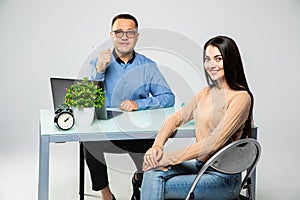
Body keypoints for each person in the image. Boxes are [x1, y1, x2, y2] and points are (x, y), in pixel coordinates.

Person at [141, 35, 254, 200]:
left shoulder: (241, 97)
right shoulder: (206, 92)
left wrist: (167, 159)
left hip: (222, 178)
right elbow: (176, 118)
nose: (211, 65)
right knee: (152, 172)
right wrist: (157, 147)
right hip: (202, 167)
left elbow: (214, 142)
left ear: (230, 61)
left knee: (155, 184)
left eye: (218, 59)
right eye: (207, 59)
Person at [84, 14, 175, 200]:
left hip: (137, 133)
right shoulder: (97, 64)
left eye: (130, 32)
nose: (124, 37)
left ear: (137, 36)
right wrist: (100, 71)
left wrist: (138, 104)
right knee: (88, 140)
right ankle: (106, 195)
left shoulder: (148, 66)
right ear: (111, 35)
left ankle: (139, 181)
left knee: (149, 156)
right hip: (107, 133)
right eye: (119, 32)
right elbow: (88, 103)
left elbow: (168, 97)